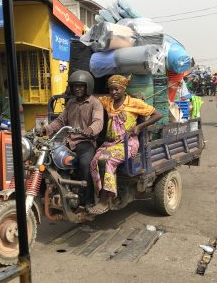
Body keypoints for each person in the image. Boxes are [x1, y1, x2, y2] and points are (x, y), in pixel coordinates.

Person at [89, 75, 162, 214]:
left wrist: (140, 127)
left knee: (107, 161)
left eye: (117, 89)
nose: (114, 92)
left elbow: (157, 115)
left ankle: (106, 199)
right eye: (111, 89)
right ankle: (100, 194)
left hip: (127, 144)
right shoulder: (108, 101)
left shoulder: (134, 103)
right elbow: (95, 97)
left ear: (124, 88)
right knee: (94, 162)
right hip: (110, 143)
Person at [42, 70, 104, 206]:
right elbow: (60, 121)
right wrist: (46, 129)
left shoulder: (95, 103)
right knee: (48, 157)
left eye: (81, 86)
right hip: (69, 141)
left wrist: (90, 129)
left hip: (85, 142)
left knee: (85, 165)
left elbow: (98, 121)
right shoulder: (70, 103)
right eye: (75, 86)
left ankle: (89, 200)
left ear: (88, 87)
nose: (77, 89)